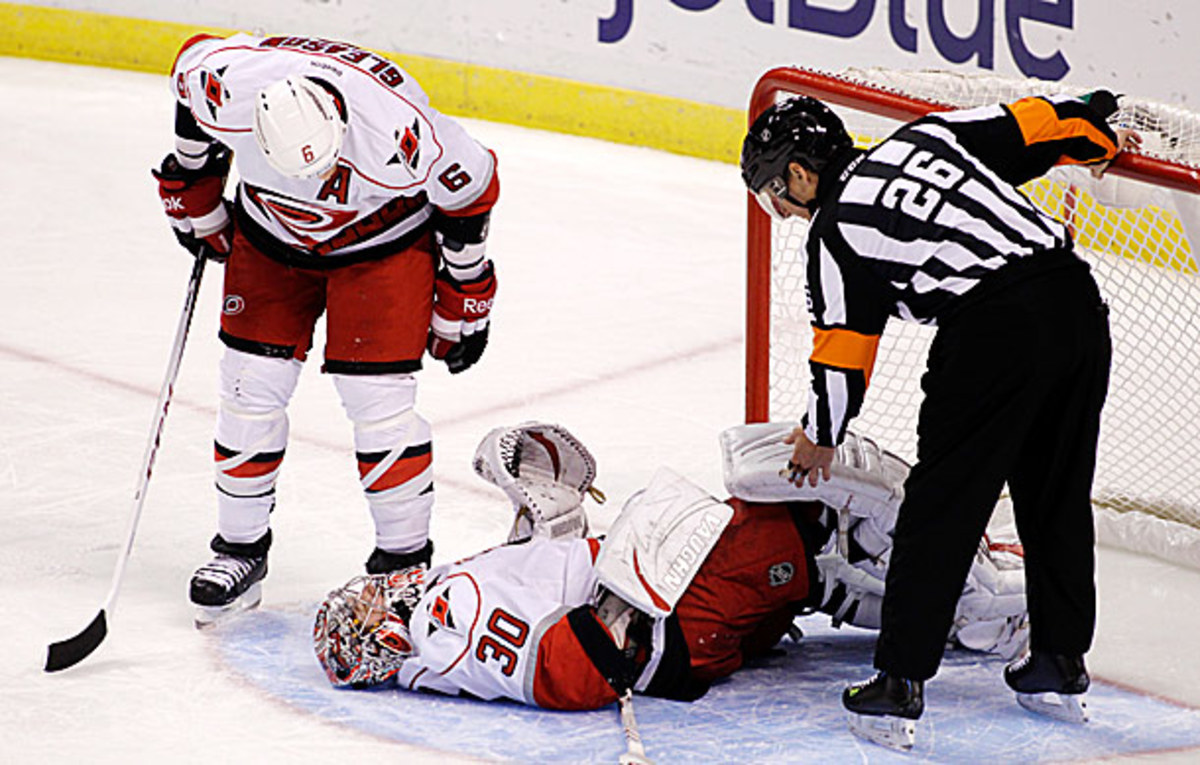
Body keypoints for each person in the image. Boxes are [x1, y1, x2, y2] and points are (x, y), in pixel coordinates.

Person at [739, 90, 1139, 747]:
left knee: (939, 506)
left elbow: (841, 359)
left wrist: (820, 437)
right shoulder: (926, 137)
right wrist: (1097, 136)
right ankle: (1058, 662)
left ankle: (897, 682)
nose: (779, 209)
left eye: (774, 191)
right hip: (1076, 303)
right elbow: (1038, 125)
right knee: (1055, 493)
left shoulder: (835, 230)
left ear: (802, 173)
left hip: (994, 329)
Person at [313, 421, 1028, 711]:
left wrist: (543, 513)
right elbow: (569, 673)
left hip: (677, 612)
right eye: (363, 609)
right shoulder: (444, 631)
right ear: (378, 640)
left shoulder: (435, 617)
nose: (376, 593)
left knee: (804, 550)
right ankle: (986, 606)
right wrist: (620, 602)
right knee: (787, 487)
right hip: (672, 624)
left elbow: (540, 583)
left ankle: (934, 609)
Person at [153, 33, 500, 626]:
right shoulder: (231, 87)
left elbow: (472, 188)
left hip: (381, 248)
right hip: (269, 237)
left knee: (378, 403)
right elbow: (191, 66)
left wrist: (467, 290)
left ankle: (403, 565)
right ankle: (239, 550)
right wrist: (193, 178)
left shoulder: (399, 130)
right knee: (247, 391)